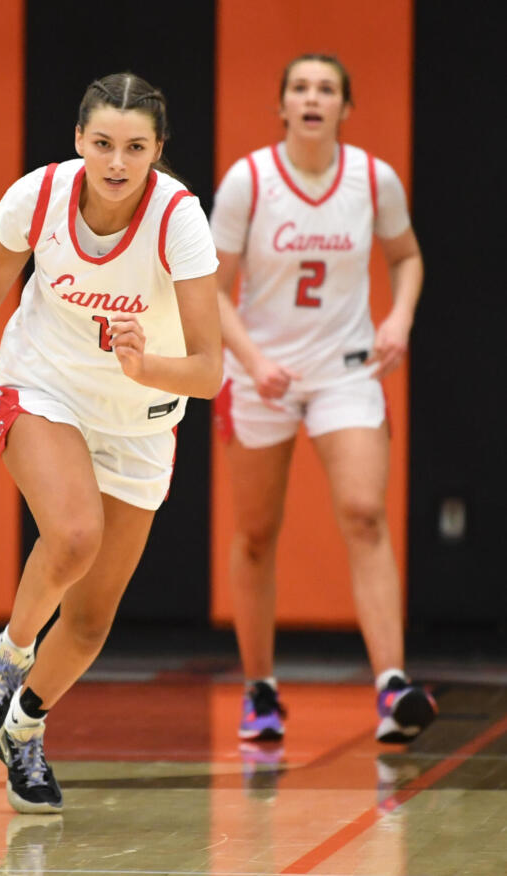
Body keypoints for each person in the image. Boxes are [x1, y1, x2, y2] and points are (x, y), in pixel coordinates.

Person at [0, 73, 222, 813]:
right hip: (45, 386)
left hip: (142, 418)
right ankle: (7, 656)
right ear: (78, 142)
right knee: (71, 537)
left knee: (93, 621)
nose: (117, 162)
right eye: (103, 143)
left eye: (135, 147)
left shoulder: (179, 220)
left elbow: (210, 370)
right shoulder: (37, 197)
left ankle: (24, 728)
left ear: (158, 151)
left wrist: (144, 365)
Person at [209, 53, 433, 745]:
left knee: (365, 514)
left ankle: (392, 686)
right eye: (300, 88)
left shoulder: (373, 178)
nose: (313, 98)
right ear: (281, 105)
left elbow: (406, 255)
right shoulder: (248, 180)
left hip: (345, 368)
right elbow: (211, 289)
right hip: (259, 372)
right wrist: (251, 359)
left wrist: (398, 319)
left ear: (345, 106)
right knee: (255, 534)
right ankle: (260, 690)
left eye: (327, 89)